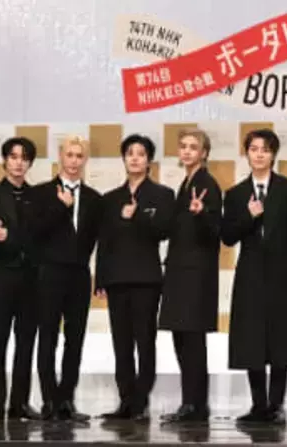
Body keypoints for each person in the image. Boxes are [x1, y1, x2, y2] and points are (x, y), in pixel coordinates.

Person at [221, 129, 287, 425]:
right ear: (246, 153)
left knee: (281, 339)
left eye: (265, 149)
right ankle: (259, 404)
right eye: (254, 149)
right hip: (250, 275)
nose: (259, 154)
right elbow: (227, 236)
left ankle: (276, 404)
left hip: (283, 274)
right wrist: (249, 216)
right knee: (252, 339)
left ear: (273, 154)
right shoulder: (235, 194)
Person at [95, 134, 175, 421]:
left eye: (141, 154)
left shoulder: (162, 194)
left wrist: (138, 215)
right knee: (121, 343)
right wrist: (100, 278)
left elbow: (164, 230)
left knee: (145, 341)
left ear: (149, 160)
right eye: (130, 153)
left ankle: (140, 401)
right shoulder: (110, 199)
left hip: (146, 280)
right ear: (124, 158)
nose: (135, 158)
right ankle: (125, 401)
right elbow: (104, 241)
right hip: (117, 279)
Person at [30, 135, 102, 421]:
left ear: (85, 160)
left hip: (79, 275)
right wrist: (61, 207)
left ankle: (66, 400)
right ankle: (49, 399)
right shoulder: (40, 193)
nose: (74, 161)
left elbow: (97, 241)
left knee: (75, 338)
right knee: (47, 336)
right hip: (49, 273)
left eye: (79, 156)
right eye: (69, 155)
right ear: (60, 157)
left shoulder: (95, 199)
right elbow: (34, 233)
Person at [158, 128, 222, 423]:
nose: (186, 151)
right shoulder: (185, 184)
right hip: (179, 272)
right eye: (183, 146)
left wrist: (201, 213)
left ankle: (195, 406)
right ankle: (191, 403)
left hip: (195, 275)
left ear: (204, 153)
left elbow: (215, 231)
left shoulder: (207, 185)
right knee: (182, 339)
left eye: (193, 147)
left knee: (192, 341)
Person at [0, 137, 40, 422]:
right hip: (1, 276)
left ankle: (20, 403)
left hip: (32, 279)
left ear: (30, 163)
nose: (18, 163)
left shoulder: (38, 197)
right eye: (13, 156)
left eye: (24, 158)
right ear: (5, 160)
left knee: (26, 342)